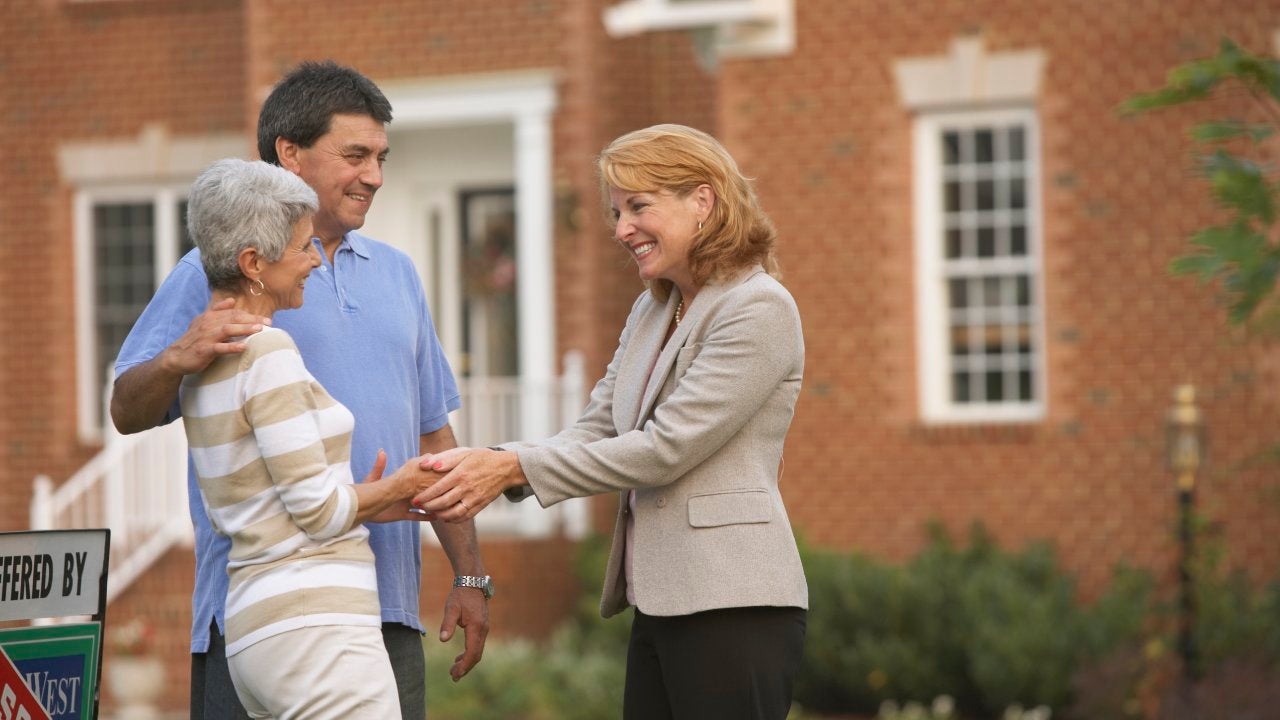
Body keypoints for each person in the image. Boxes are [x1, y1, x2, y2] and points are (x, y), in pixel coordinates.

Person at [111, 61, 489, 720]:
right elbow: (126, 408)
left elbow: (434, 437)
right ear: (290, 154)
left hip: (383, 606)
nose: (373, 174)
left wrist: (469, 574)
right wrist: (178, 356)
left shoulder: (398, 275)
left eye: (380, 157)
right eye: (355, 155)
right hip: (260, 617)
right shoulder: (218, 270)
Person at [414, 123, 808, 720]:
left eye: (638, 207)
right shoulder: (654, 309)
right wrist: (495, 462)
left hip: (735, 605)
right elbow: (598, 426)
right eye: (617, 211)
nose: (622, 229)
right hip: (661, 602)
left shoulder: (758, 308)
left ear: (702, 201)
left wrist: (515, 466)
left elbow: (665, 448)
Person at [181, 157, 433, 717]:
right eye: (301, 248)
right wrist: (397, 487)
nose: (314, 262)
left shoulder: (202, 365)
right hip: (316, 629)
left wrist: (368, 503)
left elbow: (272, 504)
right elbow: (317, 513)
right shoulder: (268, 353)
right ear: (253, 263)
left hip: (259, 626)